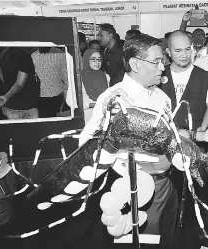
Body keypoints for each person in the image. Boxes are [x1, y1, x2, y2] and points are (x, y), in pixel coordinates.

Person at [80, 33, 178, 249]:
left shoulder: (162, 97)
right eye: (156, 62)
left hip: (168, 184)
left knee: (168, 239)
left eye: (163, 61)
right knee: (141, 243)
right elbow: (86, 145)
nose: (163, 67)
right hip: (136, 190)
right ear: (135, 63)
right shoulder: (113, 99)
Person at [161, 30, 208, 132]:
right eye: (178, 51)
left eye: (187, 49)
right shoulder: (159, 74)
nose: (184, 55)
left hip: (194, 137)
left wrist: (203, 128)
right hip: (164, 136)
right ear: (168, 52)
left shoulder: (204, 76)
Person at [0, 47, 40, 119]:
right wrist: (6, 96)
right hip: (25, 107)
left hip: (9, 106)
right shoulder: (23, 55)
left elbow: (1, 74)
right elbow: (19, 85)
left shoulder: (4, 53)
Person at [31, 47, 68, 118]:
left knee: (58, 120)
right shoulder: (33, 56)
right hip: (41, 96)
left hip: (57, 94)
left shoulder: (59, 54)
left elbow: (65, 74)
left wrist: (67, 93)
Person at [81, 49, 109, 124]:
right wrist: (91, 105)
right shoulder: (79, 78)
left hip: (102, 115)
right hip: (87, 116)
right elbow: (75, 101)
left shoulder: (105, 76)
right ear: (87, 60)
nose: (97, 62)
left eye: (99, 60)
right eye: (93, 59)